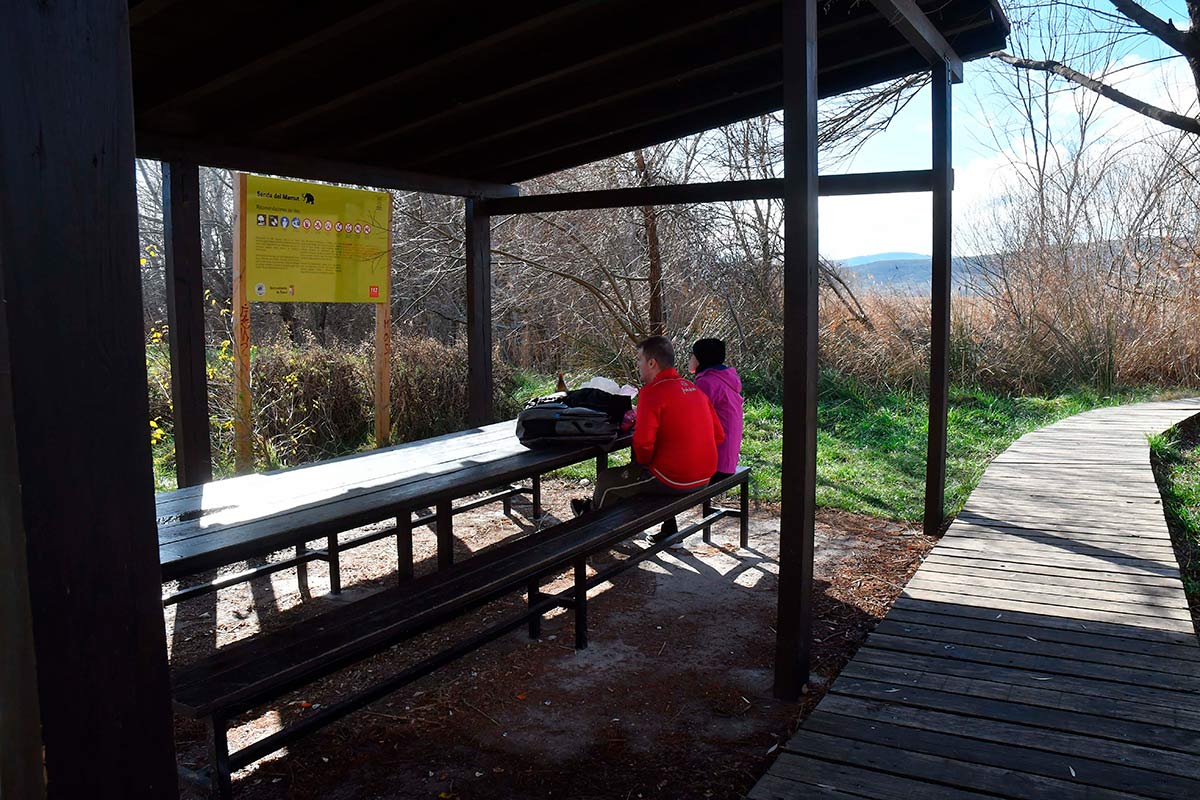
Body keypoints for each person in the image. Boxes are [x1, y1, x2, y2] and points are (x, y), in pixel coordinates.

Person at [571, 335, 725, 542]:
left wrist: (643, 466)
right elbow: (719, 435)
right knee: (634, 476)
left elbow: (643, 446)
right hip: (705, 476)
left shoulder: (652, 393)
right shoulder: (694, 389)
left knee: (606, 481)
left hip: (675, 479)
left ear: (652, 363)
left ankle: (593, 536)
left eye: (639, 360)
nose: (637, 365)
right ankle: (601, 516)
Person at [688, 338, 743, 482]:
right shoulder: (725, 378)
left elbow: (692, 419)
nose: (690, 358)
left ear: (701, 358)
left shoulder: (707, 383)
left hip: (716, 464)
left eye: (693, 354)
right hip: (728, 460)